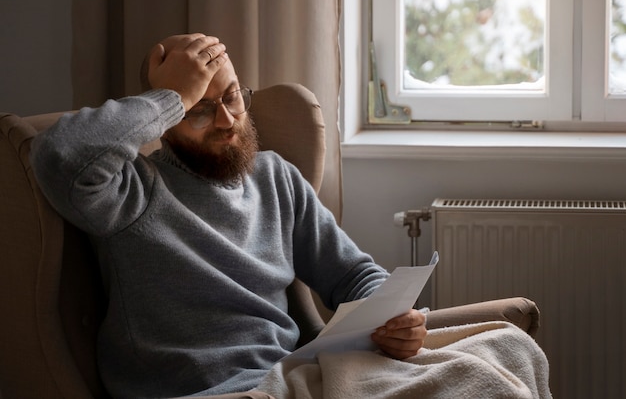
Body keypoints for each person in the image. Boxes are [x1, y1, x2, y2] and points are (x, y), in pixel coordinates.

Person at [30, 33, 427, 398]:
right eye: (199, 108)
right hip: (206, 393)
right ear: (165, 123)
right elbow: (58, 155)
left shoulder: (276, 177)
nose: (225, 121)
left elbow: (353, 274)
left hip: (292, 379)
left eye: (232, 97)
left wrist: (395, 321)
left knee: (484, 354)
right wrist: (172, 96)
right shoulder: (131, 191)